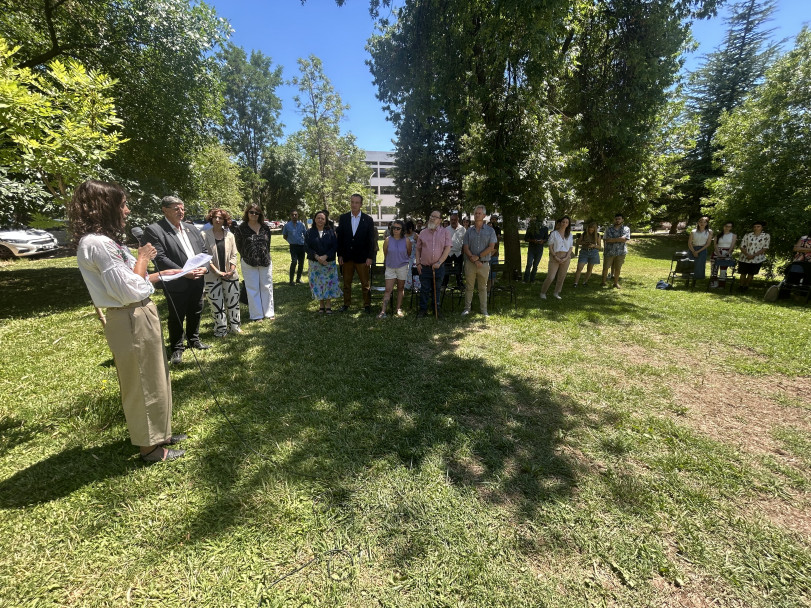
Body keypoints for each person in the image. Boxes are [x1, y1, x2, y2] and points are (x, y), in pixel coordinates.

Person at [69, 179, 186, 462]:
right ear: (104, 207)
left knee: (156, 376)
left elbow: (133, 279)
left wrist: (158, 275)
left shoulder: (107, 242)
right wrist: (143, 258)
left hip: (139, 312)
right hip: (129, 315)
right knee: (142, 382)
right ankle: (150, 449)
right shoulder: (97, 244)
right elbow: (128, 290)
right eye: (122, 205)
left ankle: (160, 433)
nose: (127, 210)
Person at [144, 196, 210, 365]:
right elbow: (160, 257)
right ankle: (177, 347)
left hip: (197, 277)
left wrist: (205, 268)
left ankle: (194, 340)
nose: (180, 212)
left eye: (182, 208)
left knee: (196, 309)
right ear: (164, 210)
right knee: (177, 314)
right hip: (176, 280)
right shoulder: (155, 230)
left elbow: (203, 251)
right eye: (176, 209)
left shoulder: (191, 228)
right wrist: (183, 272)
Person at [201, 208, 241, 337]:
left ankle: (235, 327)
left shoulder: (230, 235)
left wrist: (231, 270)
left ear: (225, 220)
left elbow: (234, 255)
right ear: (211, 219)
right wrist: (217, 271)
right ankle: (221, 330)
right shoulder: (204, 235)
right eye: (215, 217)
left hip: (230, 274)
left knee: (233, 302)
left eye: (221, 218)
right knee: (217, 304)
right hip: (212, 275)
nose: (217, 220)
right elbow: (205, 257)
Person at [336, 193, 378, 313]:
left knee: (365, 284)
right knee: (346, 283)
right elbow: (340, 238)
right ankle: (346, 304)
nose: (354, 205)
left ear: (361, 204)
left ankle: (367, 305)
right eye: (352, 202)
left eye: (357, 202)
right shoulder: (343, 218)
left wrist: (370, 257)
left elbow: (371, 240)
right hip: (347, 257)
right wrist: (340, 255)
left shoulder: (368, 219)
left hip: (363, 258)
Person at [234, 204, 275, 320]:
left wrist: (264, 255)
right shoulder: (241, 228)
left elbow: (268, 244)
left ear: (260, 215)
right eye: (251, 212)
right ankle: (257, 315)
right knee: (252, 289)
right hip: (248, 262)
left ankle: (269, 312)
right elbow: (239, 246)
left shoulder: (265, 228)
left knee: (267, 287)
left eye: (257, 213)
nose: (254, 214)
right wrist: (248, 255)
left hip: (265, 261)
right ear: (247, 213)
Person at [461, 205, 498, 316]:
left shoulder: (490, 231)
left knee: (483, 288)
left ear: (484, 216)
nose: (477, 215)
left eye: (479, 213)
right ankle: (467, 308)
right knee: (469, 287)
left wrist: (478, 257)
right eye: (476, 213)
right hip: (470, 263)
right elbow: (465, 248)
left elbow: (491, 247)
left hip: (484, 264)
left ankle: (484, 310)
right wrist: (474, 260)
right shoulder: (469, 231)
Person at [304, 209, 342, 313]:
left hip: (328, 263)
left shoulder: (330, 232)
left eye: (322, 218)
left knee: (328, 283)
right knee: (318, 283)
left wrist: (325, 256)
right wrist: (317, 257)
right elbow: (306, 247)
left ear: (325, 221)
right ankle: (321, 305)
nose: (320, 220)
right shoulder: (309, 232)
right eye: (318, 218)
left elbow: (335, 246)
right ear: (314, 220)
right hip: (315, 263)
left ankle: (328, 305)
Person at [416, 210, 452, 318]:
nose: (432, 218)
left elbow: (447, 248)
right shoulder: (423, 233)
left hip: (439, 267)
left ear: (440, 220)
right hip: (425, 267)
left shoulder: (445, 232)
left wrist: (439, 262)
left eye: (435, 217)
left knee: (437, 289)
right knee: (424, 289)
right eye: (431, 216)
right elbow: (418, 249)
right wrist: (418, 263)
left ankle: (436, 309)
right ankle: (423, 309)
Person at [378, 219, 412, 318]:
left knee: (400, 288)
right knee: (388, 289)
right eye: (393, 228)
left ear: (402, 229)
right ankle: (383, 311)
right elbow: (385, 253)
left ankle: (398, 309)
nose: (395, 230)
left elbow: (409, 253)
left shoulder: (406, 240)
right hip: (390, 267)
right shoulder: (387, 240)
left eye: (398, 228)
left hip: (402, 267)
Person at [540, 216, 573, 300]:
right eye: (563, 222)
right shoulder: (554, 233)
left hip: (566, 257)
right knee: (551, 276)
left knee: (561, 276)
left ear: (568, 224)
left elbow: (570, 248)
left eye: (566, 222)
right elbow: (550, 247)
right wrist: (555, 256)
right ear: (560, 223)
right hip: (555, 256)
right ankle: (543, 292)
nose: (564, 224)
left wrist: (566, 257)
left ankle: (556, 292)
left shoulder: (570, 235)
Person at [737, 221, 770, 291]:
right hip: (745, 257)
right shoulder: (747, 235)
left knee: (751, 273)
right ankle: (741, 286)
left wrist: (754, 255)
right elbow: (742, 246)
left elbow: (765, 247)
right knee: (743, 273)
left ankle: (746, 286)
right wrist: (747, 254)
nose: (756, 228)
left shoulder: (766, 236)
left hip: (757, 258)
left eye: (758, 227)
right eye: (754, 227)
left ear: (762, 228)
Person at [601, 213, 631, 289]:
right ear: (614, 220)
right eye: (616, 219)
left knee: (618, 268)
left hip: (621, 252)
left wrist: (612, 239)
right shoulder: (608, 229)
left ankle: (615, 283)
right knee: (605, 267)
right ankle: (603, 282)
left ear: (622, 220)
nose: (617, 220)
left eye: (619, 219)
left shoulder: (626, 229)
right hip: (609, 251)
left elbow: (624, 239)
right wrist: (619, 239)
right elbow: (606, 239)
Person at [282, 209, 307, 285]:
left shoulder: (301, 225)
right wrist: (291, 241)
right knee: (294, 262)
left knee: (301, 263)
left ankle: (298, 279)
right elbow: (285, 236)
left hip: (301, 246)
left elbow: (305, 234)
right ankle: (291, 280)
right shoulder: (287, 225)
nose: (294, 216)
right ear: (290, 216)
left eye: (295, 215)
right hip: (293, 246)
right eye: (292, 215)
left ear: (297, 215)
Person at [573, 220, 601, 287]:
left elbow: (599, 246)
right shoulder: (584, 234)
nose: (591, 231)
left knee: (589, 269)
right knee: (579, 268)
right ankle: (575, 283)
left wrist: (594, 245)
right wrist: (584, 243)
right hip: (584, 251)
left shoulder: (597, 235)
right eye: (590, 230)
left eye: (592, 230)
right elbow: (578, 242)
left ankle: (585, 282)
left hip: (593, 252)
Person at [709, 221, 737, 289]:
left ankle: (721, 284)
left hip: (727, 253)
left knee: (723, 269)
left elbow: (732, 245)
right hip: (717, 252)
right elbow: (715, 245)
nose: (727, 228)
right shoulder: (718, 235)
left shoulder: (733, 235)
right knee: (714, 269)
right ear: (723, 226)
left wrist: (728, 253)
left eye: (729, 227)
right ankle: (714, 283)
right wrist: (718, 254)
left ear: (731, 228)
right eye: (726, 226)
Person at [443, 211, 466, 287]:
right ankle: (444, 284)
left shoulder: (462, 229)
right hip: (448, 253)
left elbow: (465, 242)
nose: (453, 221)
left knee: (459, 270)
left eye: (454, 220)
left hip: (459, 253)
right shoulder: (446, 229)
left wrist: (463, 251)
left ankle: (459, 283)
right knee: (446, 269)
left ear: (457, 220)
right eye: (452, 220)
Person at [523, 216, 549, 283]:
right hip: (531, 249)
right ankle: (525, 279)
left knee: (535, 265)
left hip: (539, 249)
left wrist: (542, 241)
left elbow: (546, 239)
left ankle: (532, 279)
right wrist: (532, 240)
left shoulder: (545, 229)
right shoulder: (530, 228)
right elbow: (526, 238)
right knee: (529, 264)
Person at [688, 216, 713, 280]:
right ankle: (689, 276)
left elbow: (708, 243)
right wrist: (694, 251)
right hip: (693, 248)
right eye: (701, 222)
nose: (702, 223)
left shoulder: (709, 232)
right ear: (698, 223)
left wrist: (698, 251)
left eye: (704, 222)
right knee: (691, 263)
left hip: (702, 249)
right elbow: (689, 243)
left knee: (700, 264)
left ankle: (699, 277)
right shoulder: (693, 231)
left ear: (706, 223)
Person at [404, 219, 421, 293]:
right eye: (409, 228)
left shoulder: (415, 235)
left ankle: (416, 285)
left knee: (414, 270)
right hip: (405, 256)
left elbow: (420, 245)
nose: (410, 230)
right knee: (407, 271)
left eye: (411, 228)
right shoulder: (404, 236)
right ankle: (407, 285)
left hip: (414, 256)